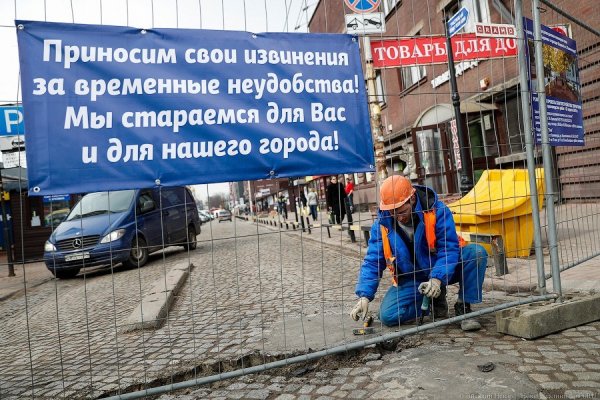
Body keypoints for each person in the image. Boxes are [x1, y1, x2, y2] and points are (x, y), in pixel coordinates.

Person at [350, 175, 488, 331]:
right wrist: (364, 296)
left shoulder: (437, 211)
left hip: (444, 267)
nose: (398, 217)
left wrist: (437, 279)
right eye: (393, 212)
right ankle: (432, 300)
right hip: (412, 277)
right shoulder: (382, 225)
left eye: (402, 211)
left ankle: (463, 307)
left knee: (476, 253)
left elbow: (448, 249)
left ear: (412, 198)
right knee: (388, 315)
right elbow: (373, 261)